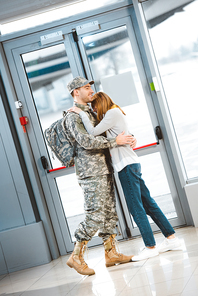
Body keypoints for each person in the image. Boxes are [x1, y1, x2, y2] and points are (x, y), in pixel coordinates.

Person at [68, 91, 182, 261]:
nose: (95, 110)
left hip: (126, 167)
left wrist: (82, 113)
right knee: (148, 204)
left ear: (100, 103)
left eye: (95, 106)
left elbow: (92, 132)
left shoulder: (112, 113)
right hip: (131, 164)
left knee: (136, 208)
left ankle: (150, 246)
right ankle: (171, 239)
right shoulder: (115, 113)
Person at [65, 77, 136, 276]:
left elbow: (108, 131)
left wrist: (127, 138)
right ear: (75, 92)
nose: (91, 90)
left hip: (104, 168)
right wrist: (116, 141)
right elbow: (87, 142)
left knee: (108, 213)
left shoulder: (91, 112)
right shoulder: (73, 116)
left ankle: (111, 253)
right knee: (94, 214)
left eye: (90, 86)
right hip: (90, 173)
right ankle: (76, 257)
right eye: (86, 87)